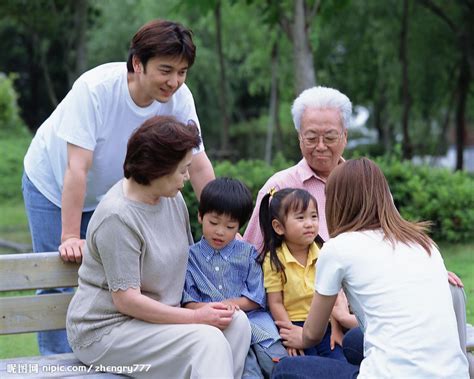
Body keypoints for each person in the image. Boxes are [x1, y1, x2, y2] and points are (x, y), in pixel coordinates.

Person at [22, 19, 214, 355]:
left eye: (182, 72)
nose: (174, 81)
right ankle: (54, 362)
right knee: (57, 278)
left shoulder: (180, 97)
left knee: (116, 279)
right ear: (138, 63)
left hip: (113, 196)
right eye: (166, 70)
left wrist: (219, 219)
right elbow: (77, 168)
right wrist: (69, 236)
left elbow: (197, 163)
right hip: (52, 186)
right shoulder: (95, 89)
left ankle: (112, 352)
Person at [66, 116, 250, 378]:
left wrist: (200, 308)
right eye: (182, 169)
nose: (187, 177)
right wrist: (197, 318)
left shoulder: (172, 200)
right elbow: (127, 302)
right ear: (158, 168)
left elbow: (188, 265)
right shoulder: (117, 217)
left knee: (236, 323)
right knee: (207, 341)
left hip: (162, 319)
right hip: (108, 330)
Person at [272, 158, 469, 379]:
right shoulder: (423, 242)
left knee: (285, 369)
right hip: (453, 374)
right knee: (353, 341)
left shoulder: (338, 248)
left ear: (337, 201)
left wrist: (301, 337)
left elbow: (313, 334)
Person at [182, 178, 287, 378]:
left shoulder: (248, 254)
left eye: (230, 227)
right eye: (213, 223)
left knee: (275, 361)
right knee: (248, 372)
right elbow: (188, 302)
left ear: (240, 226)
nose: (220, 231)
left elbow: (257, 298)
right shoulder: (190, 258)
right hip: (214, 324)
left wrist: (231, 303)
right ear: (200, 216)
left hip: (255, 322)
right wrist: (214, 309)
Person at [258, 187, 346, 362]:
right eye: (300, 218)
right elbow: (275, 303)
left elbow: (334, 296)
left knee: (340, 362)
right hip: (295, 323)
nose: (309, 223)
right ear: (279, 227)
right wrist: (290, 336)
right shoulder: (274, 259)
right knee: (308, 365)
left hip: (325, 324)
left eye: (314, 216)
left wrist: (336, 328)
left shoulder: (323, 252)